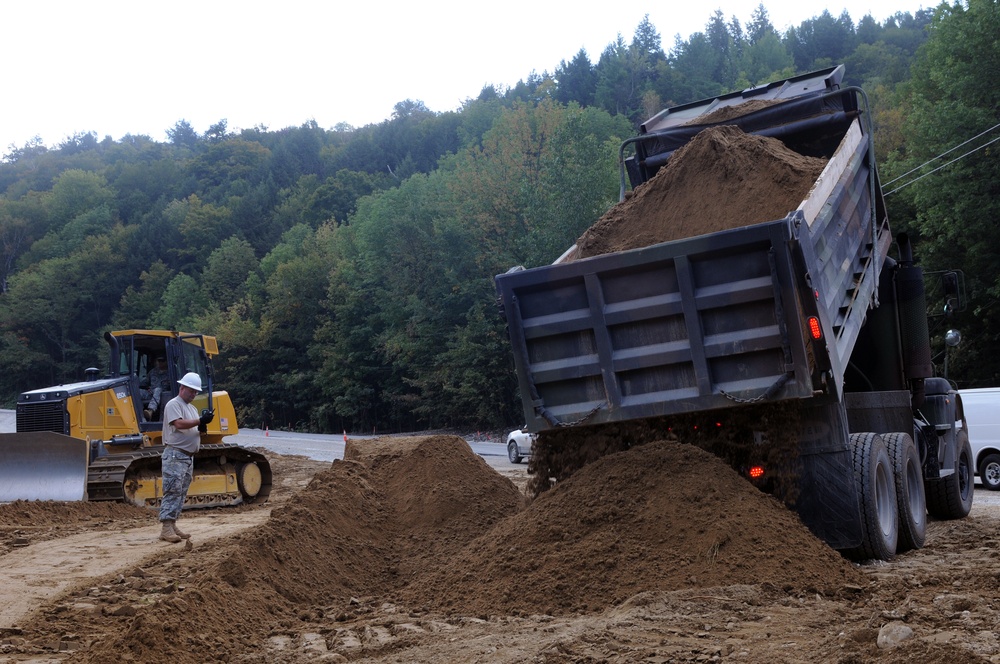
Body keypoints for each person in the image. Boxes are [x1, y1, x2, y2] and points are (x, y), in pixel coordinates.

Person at [158, 372, 214, 543]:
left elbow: (194, 429)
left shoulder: (192, 409)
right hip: (175, 454)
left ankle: (172, 524)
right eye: (191, 391)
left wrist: (202, 426)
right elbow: (179, 424)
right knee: (172, 490)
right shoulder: (173, 404)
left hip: (187, 457)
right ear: (182, 387)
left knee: (181, 492)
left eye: (196, 392)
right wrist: (199, 421)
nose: (193, 394)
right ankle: (166, 527)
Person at [143, 356, 171, 420]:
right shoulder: (152, 372)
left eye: (162, 361)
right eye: (159, 361)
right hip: (150, 393)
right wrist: (147, 387)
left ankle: (150, 411)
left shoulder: (171, 373)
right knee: (136, 391)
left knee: (158, 389)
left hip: (163, 396)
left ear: (167, 362)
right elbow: (145, 382)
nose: (160, 362)